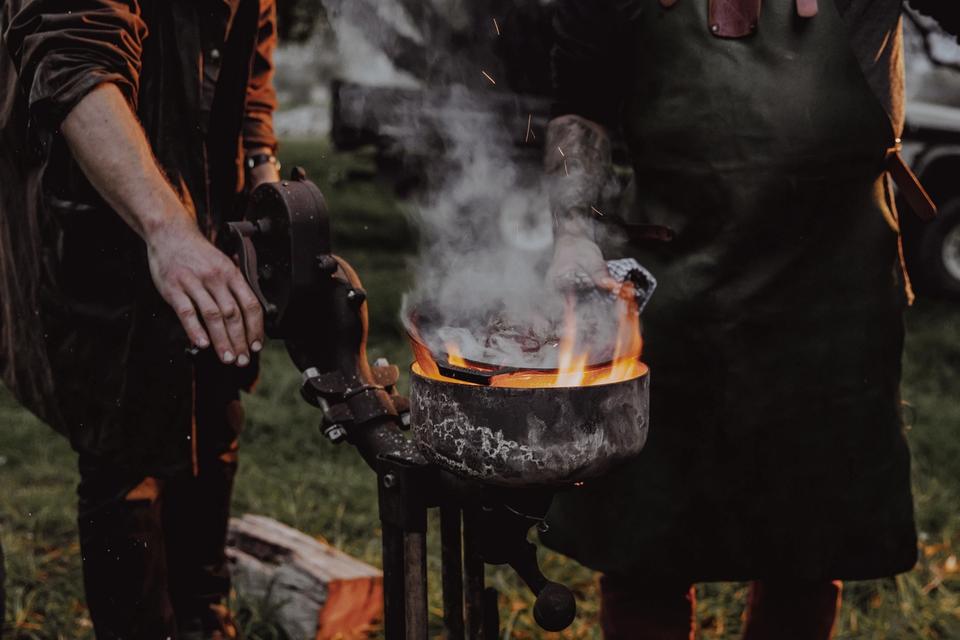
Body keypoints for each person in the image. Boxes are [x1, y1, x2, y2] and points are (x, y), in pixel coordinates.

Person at [542, 1, 958, 638]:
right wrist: (573, 232)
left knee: (808, 547)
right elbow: (581, 101)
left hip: (832, 291)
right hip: (671, 294)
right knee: (644, 549)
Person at [0, 1, 280, 637]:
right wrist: (165, 228)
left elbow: (251, 49)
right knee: (120, 447)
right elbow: (72, 55)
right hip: (101, 209)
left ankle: (204, 619)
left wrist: (263, 171)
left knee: (216, 409)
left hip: (214, 199)